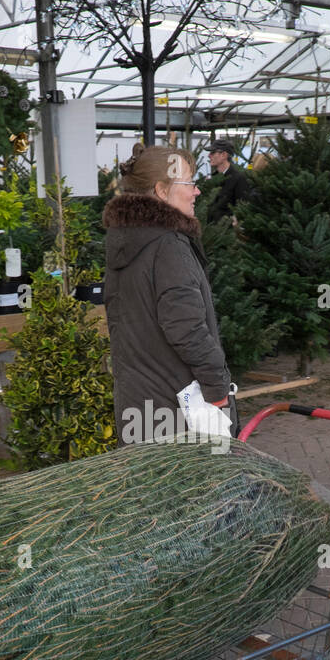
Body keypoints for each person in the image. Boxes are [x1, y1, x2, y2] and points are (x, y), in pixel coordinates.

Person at [102, 144, 232, 441]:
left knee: (144, 484)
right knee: (192, 487)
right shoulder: (168, 246)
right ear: (161, 190)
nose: (197, 191)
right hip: (177, 410)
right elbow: (186, 329)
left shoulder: (126, 238)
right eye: (189, 183)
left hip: (138, 403)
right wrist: (217, 386)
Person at [206, 139, 252, 225]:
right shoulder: (213, 178)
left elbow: (243, 209)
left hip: (227, 233)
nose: (209, 155)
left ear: (224, 155)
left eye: (212, 152)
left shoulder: (239, 179)